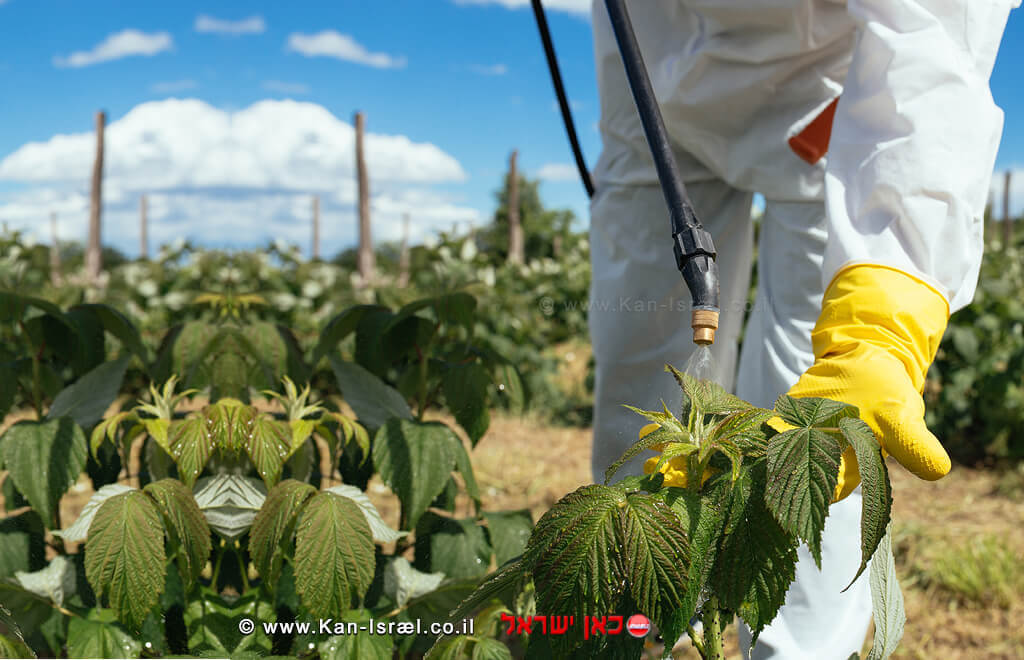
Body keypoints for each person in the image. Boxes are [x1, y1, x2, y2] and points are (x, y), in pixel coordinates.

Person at [587, 1, 1018, 658]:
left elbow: (939, 28)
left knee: (812, 414)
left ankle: (794, 649)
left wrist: (881, 318)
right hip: (650, 57)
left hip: (830, 90)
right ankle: (636, 619)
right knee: (637, 373)